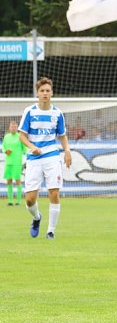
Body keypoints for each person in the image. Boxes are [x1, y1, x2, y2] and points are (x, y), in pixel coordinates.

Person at [17, 77, 73, 239]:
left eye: (48, 90)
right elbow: (22, 136)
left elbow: (62, 135)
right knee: (29, 200)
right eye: (42, 91)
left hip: (52, 157)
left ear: (52, 93)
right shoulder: (30, 111)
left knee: (54, 193)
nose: (45, 93)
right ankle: (36, 218)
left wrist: (67, 150)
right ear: (37, 93)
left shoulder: (57, 113)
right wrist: (32, 147)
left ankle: (51, 231)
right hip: (34, 159)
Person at [3, 121, 27, 206]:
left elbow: (25, 149)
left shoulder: (20, 137)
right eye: (12, 127)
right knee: (9, 181)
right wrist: (6, 151)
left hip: (17, 162)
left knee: (18, 181)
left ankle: (18, 201)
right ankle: (10, 201)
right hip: (8, 162)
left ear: (17, 128)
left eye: (15, 127)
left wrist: (29, 156)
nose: (13, 128)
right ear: (9, 128)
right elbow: (3, 147)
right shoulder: (6, 137)